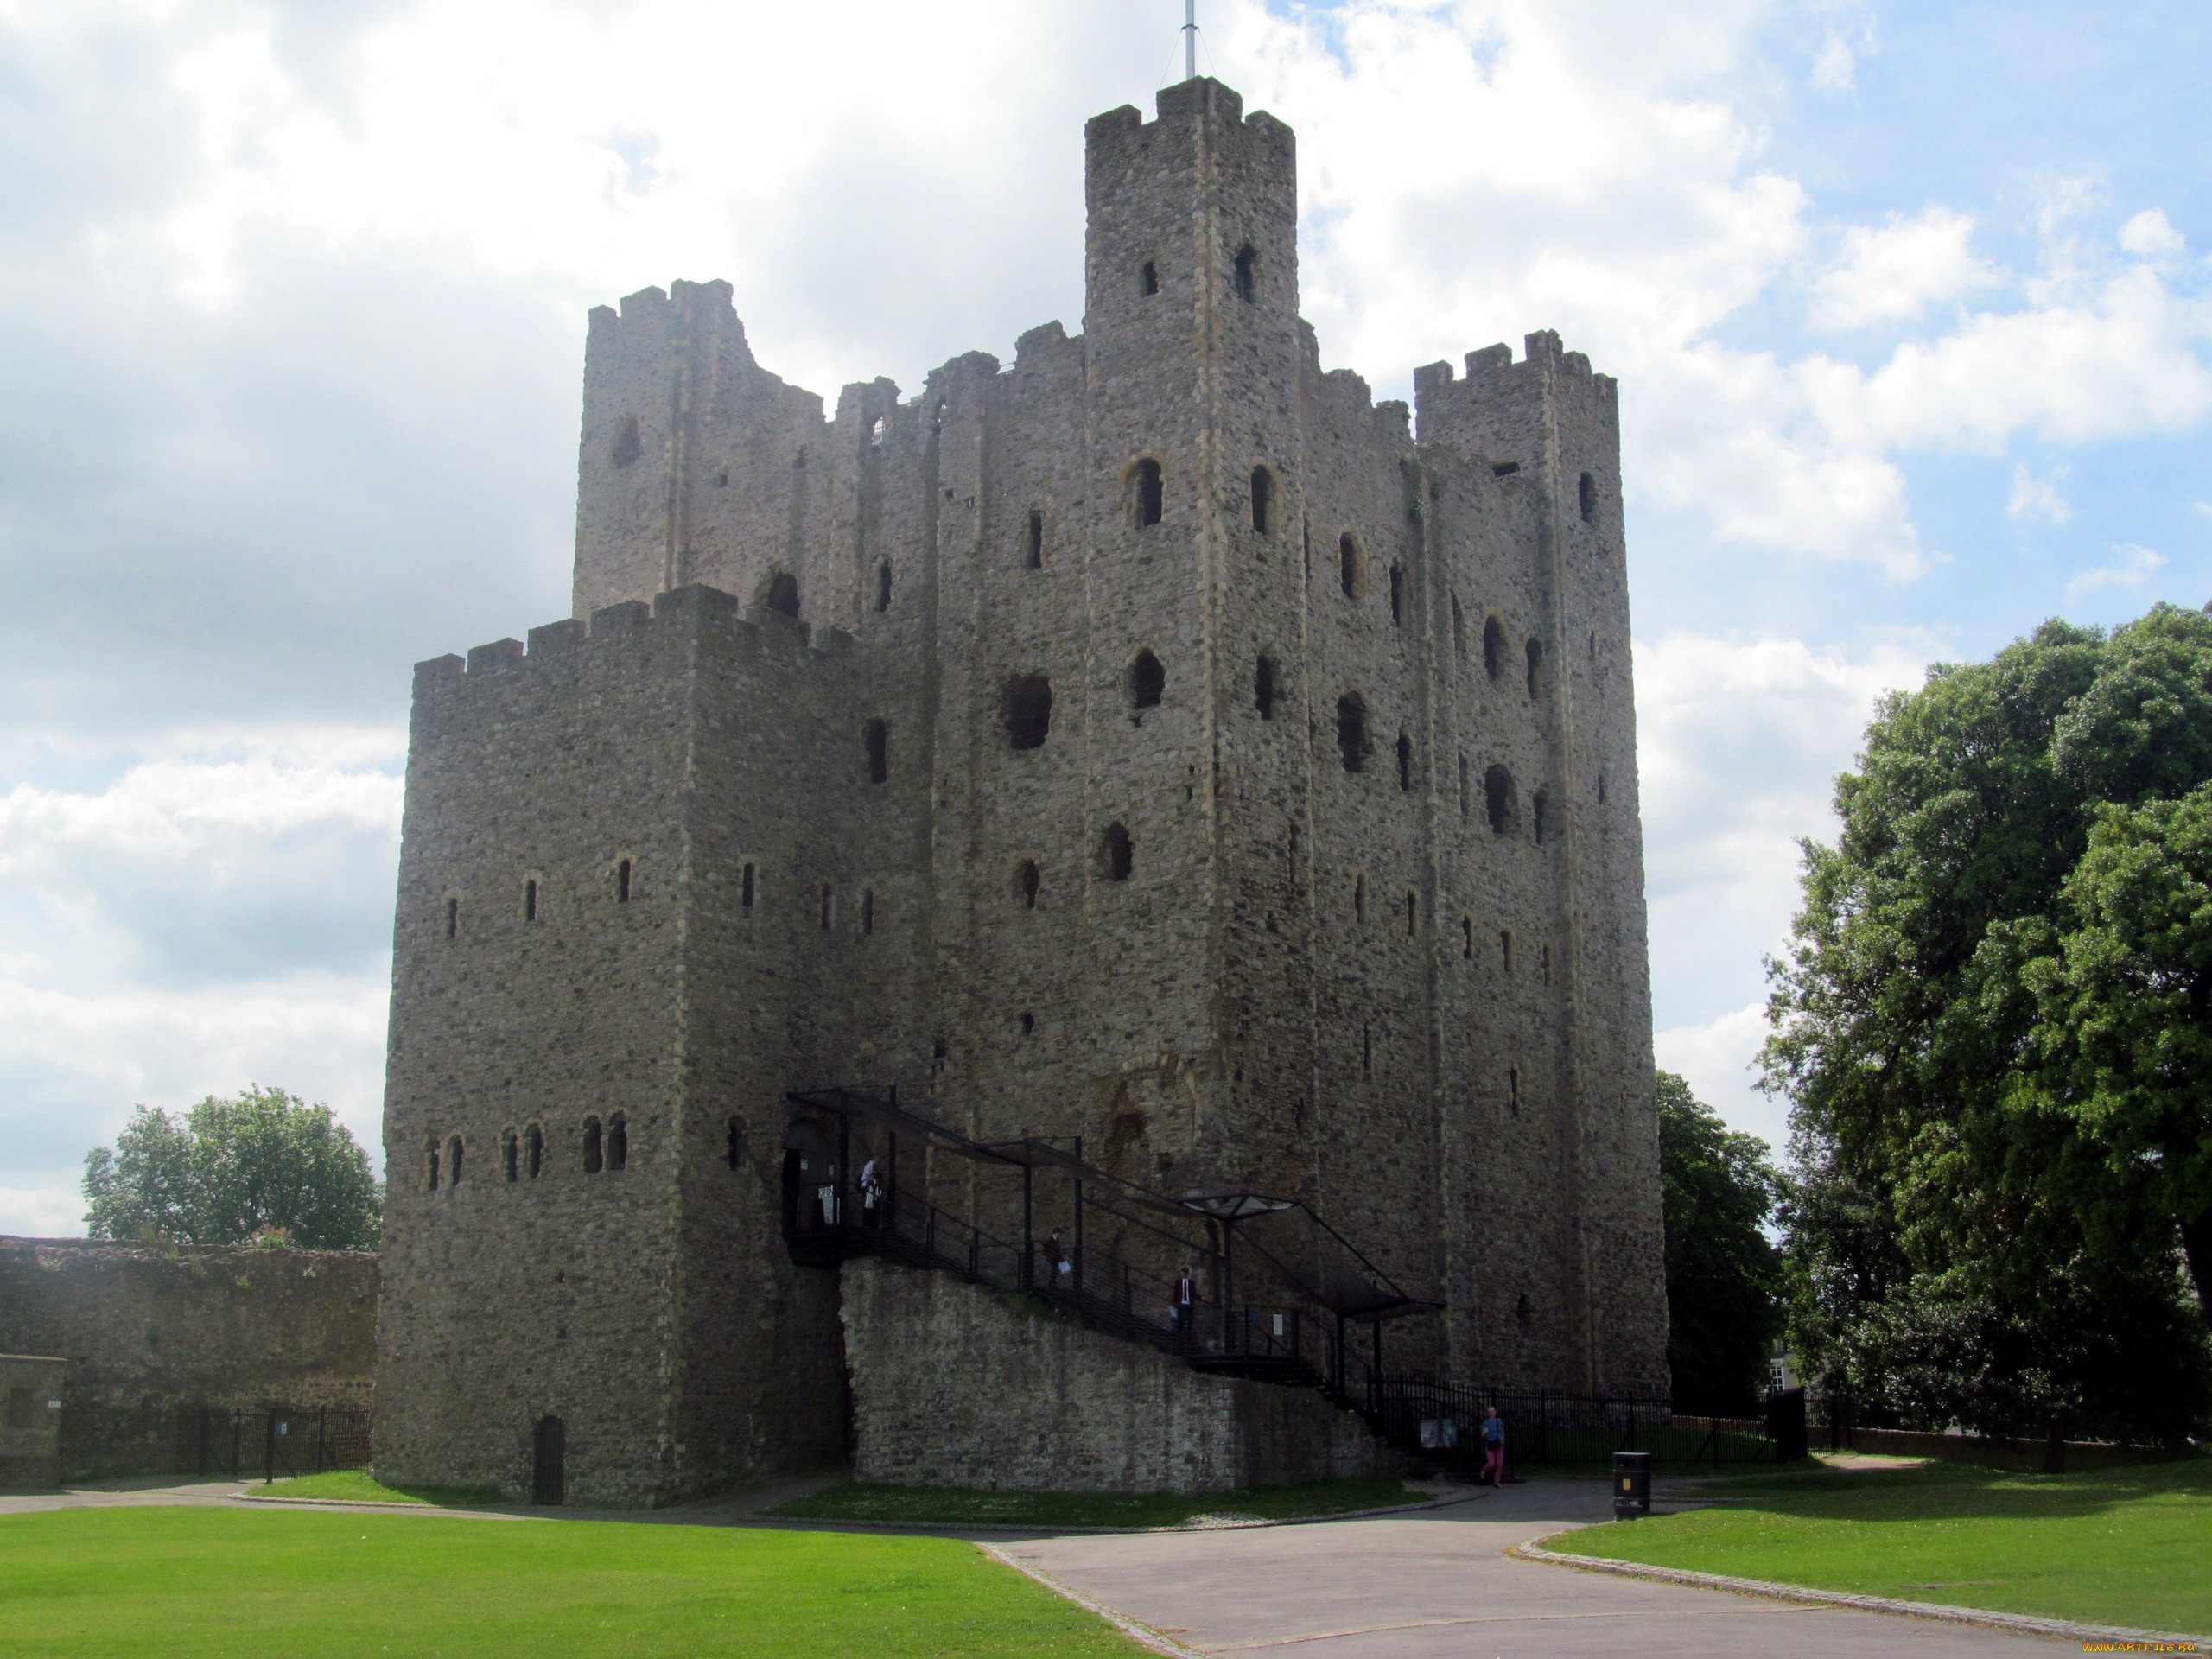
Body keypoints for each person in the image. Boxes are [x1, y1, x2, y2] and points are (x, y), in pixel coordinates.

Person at [1480, 1406, 1506, 1488]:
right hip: (1490, 1445)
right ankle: (1484, 1469)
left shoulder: (1499, 1421)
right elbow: (1483, 1435)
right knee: (1492, 1463)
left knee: (1500, 1464)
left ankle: (1497, 1481)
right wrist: (1485, 1432)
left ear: (1495, 1412)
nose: (1492, 1413)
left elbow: (1502, 1431)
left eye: (1493, 1412)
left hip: (1498, 1444)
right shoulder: (1486, 1422)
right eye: (1490, 1412)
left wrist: (1503, 1441)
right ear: (1488, 1414)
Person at [1170, 1266, 1197, 1341]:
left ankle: (1188, 1337)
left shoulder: (1191, 1282)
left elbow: (1194, 1293)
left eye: (1183, 1274)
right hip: (1181, 1305)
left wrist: (1201, 1298)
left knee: (1190, 1322)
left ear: (1187, 1274)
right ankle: (1180, 1338)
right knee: (1181, 1322)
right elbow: (1175, 1293)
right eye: (1181, 1274)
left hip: (1189, 1305)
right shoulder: (1178, 1282)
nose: (1182, 1275)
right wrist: (1174, 1303)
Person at [858, 1157, 882, 1230]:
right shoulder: (869, 1166)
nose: (877, 1164)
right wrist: (869, 1184)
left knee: (869, 1212)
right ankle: (867, 1226)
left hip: (870, 1198)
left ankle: (868, 1226)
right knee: (868, 1212)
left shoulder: (870, 1166)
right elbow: (868, 1176)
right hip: (868, 1193)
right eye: (877, 1162)